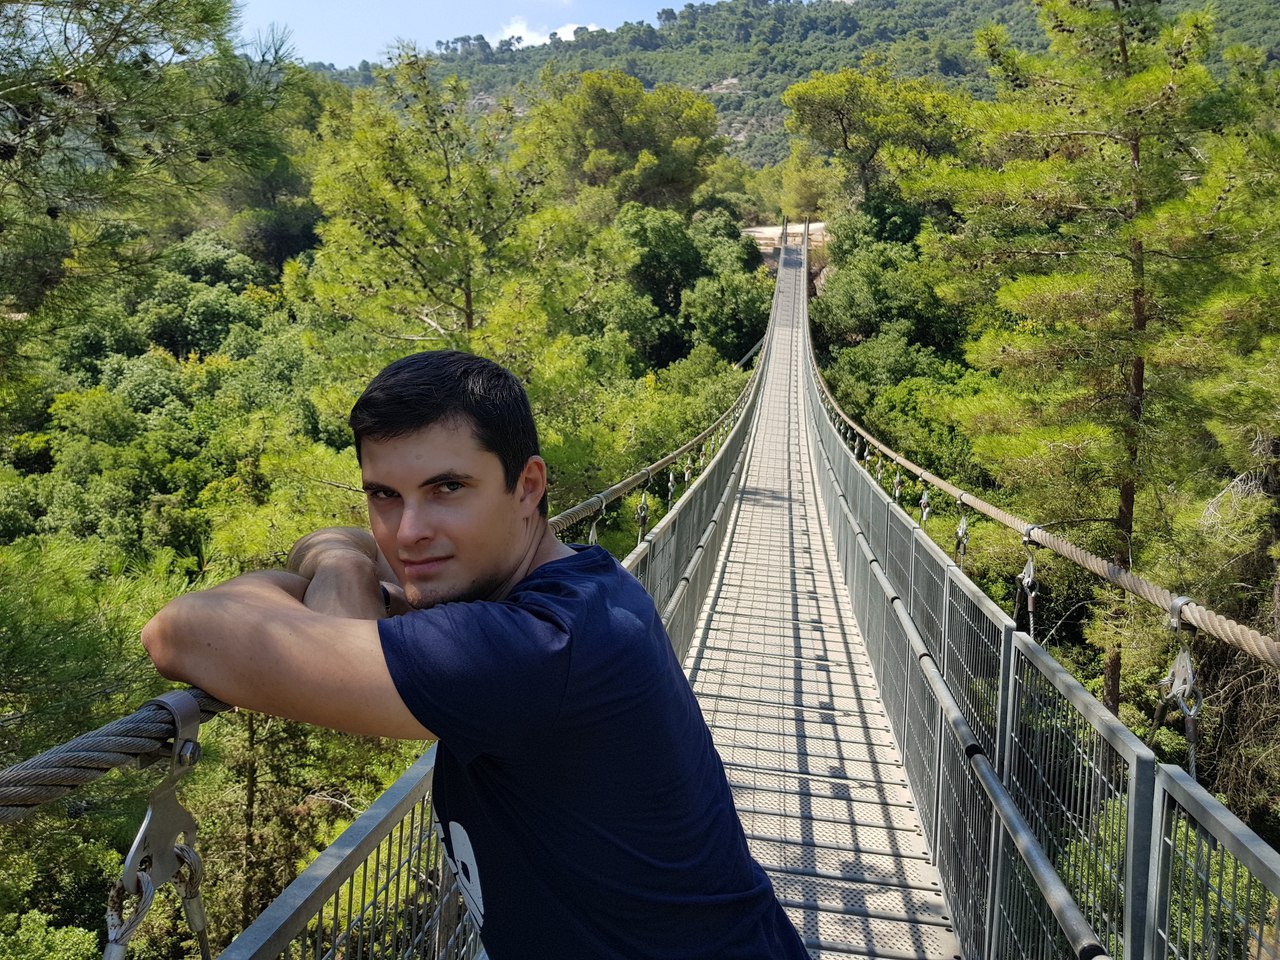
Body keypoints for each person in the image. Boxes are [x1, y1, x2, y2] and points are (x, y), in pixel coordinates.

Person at [143, 350, 810, 960]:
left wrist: (343, 571)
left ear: (528, 487)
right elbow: (334, 565)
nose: (408, 533)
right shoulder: (581, 583)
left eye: (448, 488)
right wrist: (349, 569)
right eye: (384, 495)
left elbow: (176, 632)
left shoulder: (531, 649)